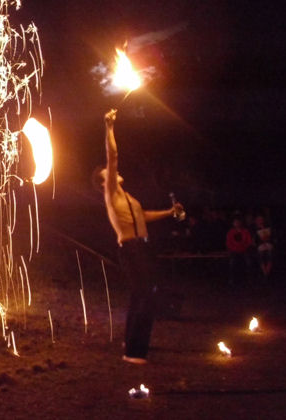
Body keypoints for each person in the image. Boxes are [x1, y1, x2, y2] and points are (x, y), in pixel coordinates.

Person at [92, 109, 184, 364]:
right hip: (131, 248)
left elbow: (143, 216)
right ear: (103, 182)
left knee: (139, 295)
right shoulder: (111, 193)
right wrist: (109, 127)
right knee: (146, 296)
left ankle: (129, 342)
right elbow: (113, 156)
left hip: (141, 247)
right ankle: (133, 352)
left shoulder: (127, 196)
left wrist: (169, 212)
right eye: (107, 173)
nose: (111, 172)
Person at [225, 215, 253, 285]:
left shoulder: (245, 231)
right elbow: (228, 242)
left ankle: (249, 278)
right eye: (235, 222)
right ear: (233, 223)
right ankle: (232, 278)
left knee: (248, 262)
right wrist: (233, 249)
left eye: (238, 222)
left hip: (244, 250)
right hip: (234, 251)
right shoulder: (230, 232)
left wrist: (244, 247)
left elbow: (249, 241)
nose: (237, 223)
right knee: (232, 263)